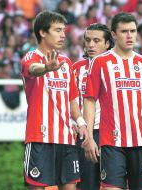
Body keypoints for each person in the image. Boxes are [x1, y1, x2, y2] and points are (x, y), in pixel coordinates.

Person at [83, 12, 142, 190]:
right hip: (112, 143)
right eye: (124, 31)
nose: (130, 35)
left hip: (141, 142)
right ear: (114, 34)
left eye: (133, 31)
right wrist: (88, 137)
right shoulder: (100, 63)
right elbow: (90, 101)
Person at [21, 10, 88, 189]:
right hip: (39, 138)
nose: (62, 34)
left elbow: (72, 100)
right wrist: (46, 68)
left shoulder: (66, 63)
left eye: (63, 30)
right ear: (43, 32)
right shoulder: (31, 57)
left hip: (66, 138)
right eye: (57, 30)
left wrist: (81, 123)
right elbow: (33, 69)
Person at [73, 23, 114, 190]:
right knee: (87, 185)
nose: (90, 45)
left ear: (107, 44)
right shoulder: (75, 69)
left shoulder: (117, 67)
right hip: (85, 133)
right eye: (88, 40)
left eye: (96, 41)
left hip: (113, 134)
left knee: (115, 184)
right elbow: (70, 101)